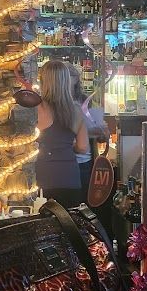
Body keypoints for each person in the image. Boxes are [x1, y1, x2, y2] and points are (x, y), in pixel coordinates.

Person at [36, 60, 90, 208]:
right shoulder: (77, 110)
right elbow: (83, 147)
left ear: (43, 82)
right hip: (70, 177)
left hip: (43, 176)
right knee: (68, 226)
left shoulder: (36, 108)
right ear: (67, 81)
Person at [66, 62, 110, 201]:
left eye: (71, 77)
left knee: (84, 202)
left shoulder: (85, 101)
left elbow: (102, 135)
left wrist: (102, 132)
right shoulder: (57, 103)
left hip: (86, 160)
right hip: (65, 161)